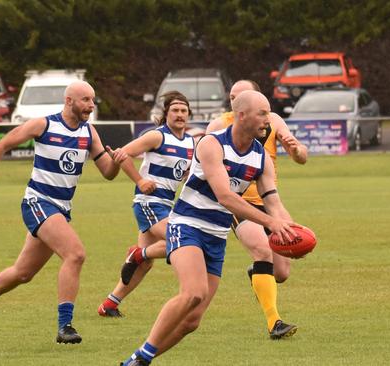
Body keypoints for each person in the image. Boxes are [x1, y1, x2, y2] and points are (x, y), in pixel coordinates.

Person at [121, 90, 298, 365]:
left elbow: (273, 203)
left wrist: (288, 228)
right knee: (193, 293)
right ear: (242, 115)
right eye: (262, 113)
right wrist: (270, 223)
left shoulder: (260, 158)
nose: (269, 120)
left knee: (192, 321)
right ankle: (138, 359)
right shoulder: (211, 144)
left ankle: (141, 358)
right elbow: (225, 196)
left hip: (217, 236)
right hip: (187, 225)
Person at [0, 80, 127, 344]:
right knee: (75, 254)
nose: (91, 105)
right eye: (86, 99)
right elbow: (3, 145)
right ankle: (65, 327)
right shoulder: (44, 125)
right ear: (69, 101)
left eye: (93, 99)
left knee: (23, 273)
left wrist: (118, 163)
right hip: (38, 202)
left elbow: (108, 173)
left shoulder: (89, 133)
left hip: (60, 210)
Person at [206, 79, 308, 339]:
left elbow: (302, 157)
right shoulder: (219, 126)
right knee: (262, 251)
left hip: (269, 200)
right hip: (239, 203)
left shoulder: (271, 121)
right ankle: (275, 323)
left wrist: (295, 149)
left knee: (281, 273)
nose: (234, 101)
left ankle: (258, 275)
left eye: (241, 96)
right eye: (232, 97)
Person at [97, 91, 194, 317]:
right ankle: (138, 254)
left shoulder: (191, 143)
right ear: (166, 114)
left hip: (166, 204)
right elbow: (122, 154)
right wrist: (140, 181)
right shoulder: (156, 136)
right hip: (149, 203)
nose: (180, 115)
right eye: (175, 111)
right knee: (179, 240)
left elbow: (186, 174)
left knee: (146, 264)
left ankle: (110, 304)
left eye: (183, 111)